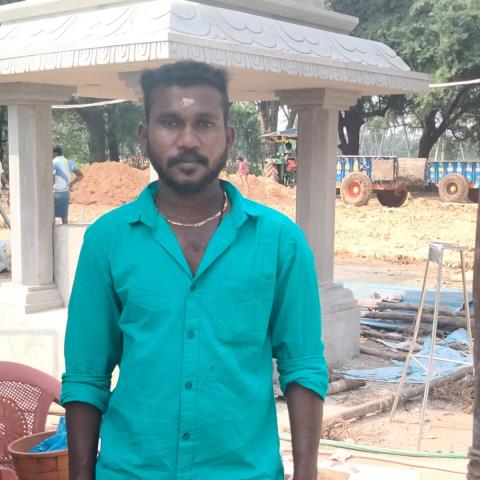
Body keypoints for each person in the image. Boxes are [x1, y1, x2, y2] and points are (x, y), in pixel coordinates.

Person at [61, 60, 328, 480]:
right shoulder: (107, 240)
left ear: (229, 137)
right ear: (145, 136)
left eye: (204, 123)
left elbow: (303, 367)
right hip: (131, 471)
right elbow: (86, 375)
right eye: (170, 122)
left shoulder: (280, 242)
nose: (187, 140)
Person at [52, 145, 83, 224]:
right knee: (64, 217)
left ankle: (52, 232)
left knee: (51, 216)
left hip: (55, 192)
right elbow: (80, 175)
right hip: (65, 193)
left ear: (55, 153)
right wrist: (71, 183)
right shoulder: (68, 162)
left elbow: (52, 180)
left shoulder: (54, 162)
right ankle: (65, 231)